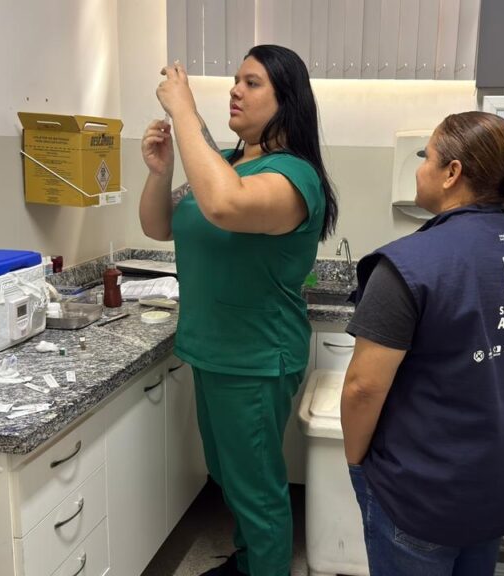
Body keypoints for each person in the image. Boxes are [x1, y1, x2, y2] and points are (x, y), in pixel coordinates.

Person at [340, 111, 504, 576]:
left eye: (426, 157)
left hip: (419, 494)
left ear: (452, 173)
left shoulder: (407, 265)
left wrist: (357, 464)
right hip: (498, 491)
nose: (420, 167)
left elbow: (363, 387)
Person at [139, 45, 337, 576]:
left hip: (254, 356)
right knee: (228, 475)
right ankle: (250, 562)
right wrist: (161, 171)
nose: (235, 90)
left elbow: (226, 206)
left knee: (257, 490)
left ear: (286, 99)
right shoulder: (229, 163)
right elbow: (159, 226)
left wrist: (184, 110)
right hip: (212, 350)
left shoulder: (293, 175)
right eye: (235, 80)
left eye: (252, 83)